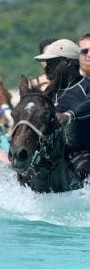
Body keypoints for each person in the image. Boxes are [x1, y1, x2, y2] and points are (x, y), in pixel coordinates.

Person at [38, 37, 90, 182]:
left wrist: (69, 115)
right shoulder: (49, 93)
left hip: (83, 156)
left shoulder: (85, 86)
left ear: (67, 62)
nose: (46, 67)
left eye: (51, 62)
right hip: (55, 159)